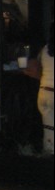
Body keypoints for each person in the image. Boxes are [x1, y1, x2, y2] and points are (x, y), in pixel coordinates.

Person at [26, 22, 54, 154]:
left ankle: (49, 155)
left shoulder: (45, 50)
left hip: (44, 93)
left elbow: (35, 68)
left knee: (49, 129)